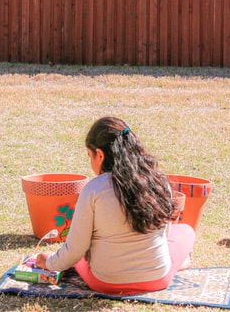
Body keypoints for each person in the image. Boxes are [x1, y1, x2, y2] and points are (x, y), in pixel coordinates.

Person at [34, 116, 196, 295]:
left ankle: (173, 263)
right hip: (157, 279)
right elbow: (164, 235)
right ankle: (177, 264)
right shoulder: (159, 182)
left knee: (79, 251)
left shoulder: (94, 189)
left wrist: (48, 261)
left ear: (100, 155)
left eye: (90, 155)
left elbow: (75, 250)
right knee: (186, 231)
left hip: (105, 282)